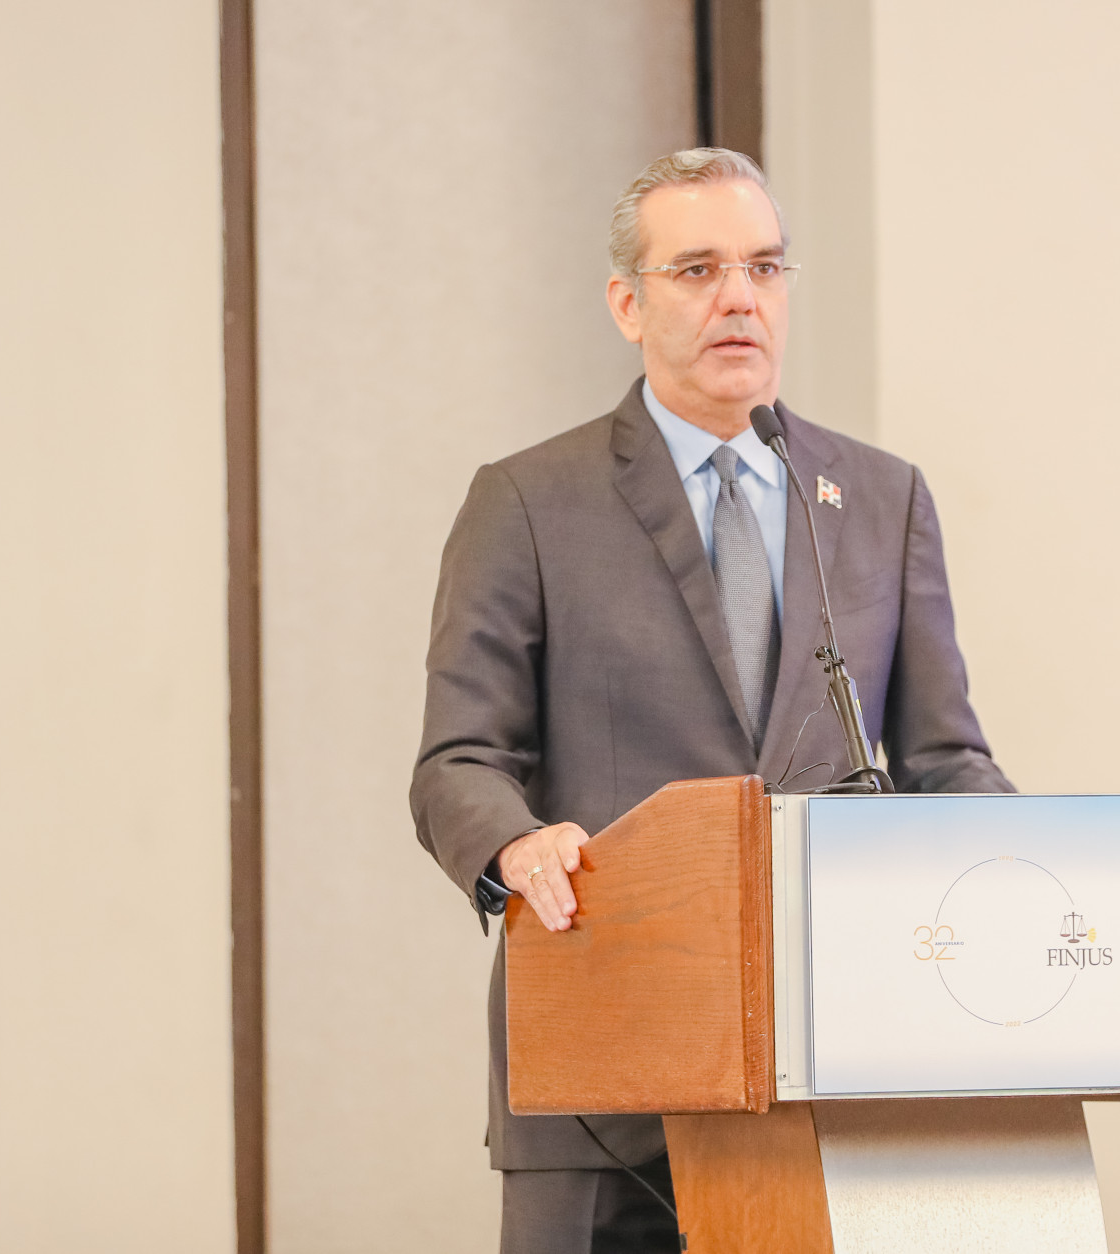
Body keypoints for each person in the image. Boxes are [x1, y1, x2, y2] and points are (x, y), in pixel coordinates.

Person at [409, 147, 1011, 1254]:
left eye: (764, 267)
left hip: (835, 1053)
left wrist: (1021, 865)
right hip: (603, 1061)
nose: (740, 297)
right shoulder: (530, 502)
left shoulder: (880, 498)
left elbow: (944, 755)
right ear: (626, 305)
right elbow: (460, 758)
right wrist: (516, 845)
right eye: (698, 270)